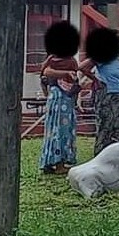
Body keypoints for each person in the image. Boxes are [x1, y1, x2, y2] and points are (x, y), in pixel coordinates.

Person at [38, 21, 81, 175]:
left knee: (56, 128)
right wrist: (65, 74)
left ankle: (50, 161)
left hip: (61, 97)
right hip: (60, 98)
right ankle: (59, 163)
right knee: (59, 129)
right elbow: (45, 72)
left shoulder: (64, 59)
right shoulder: (54, 59)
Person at [80, 27, 119, 156]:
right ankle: (101, 154)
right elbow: (83, 67)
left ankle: (118, 155)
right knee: (106, 125)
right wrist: (95, 79)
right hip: (108, 94)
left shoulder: (117, 58)